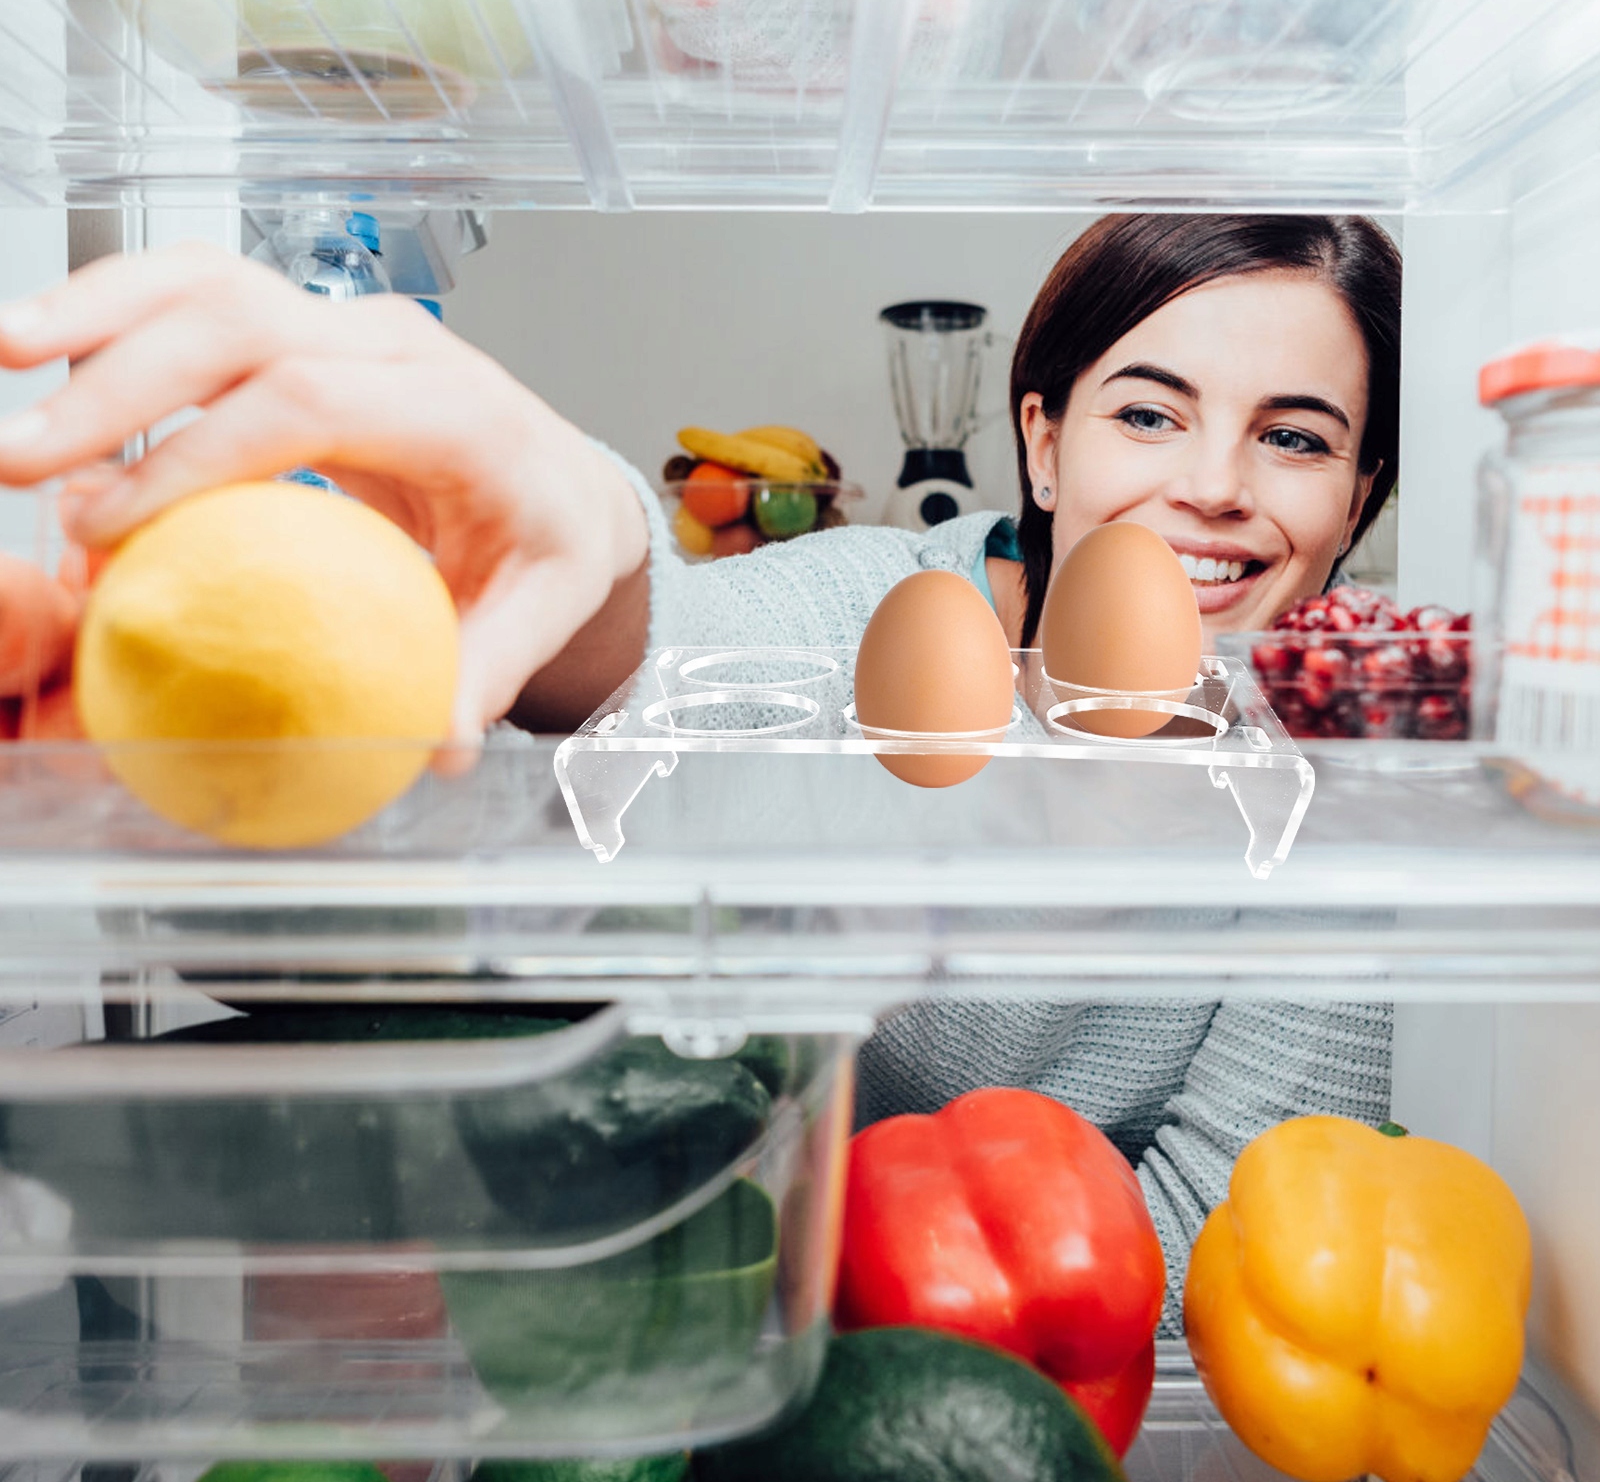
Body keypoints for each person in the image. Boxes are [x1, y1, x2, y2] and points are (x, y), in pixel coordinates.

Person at [0, 213, 1398, 1329]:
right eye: (1148, 415)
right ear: (1041, 439)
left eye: (1295, 437)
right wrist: (592, 542)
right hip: (691, 1308)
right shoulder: (882, 611)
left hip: (922, 1347)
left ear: (1359, 500)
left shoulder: (1341, 769)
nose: (1217, 483)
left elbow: (1247, 1239)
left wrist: (785, 1271)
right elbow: (658, 665)